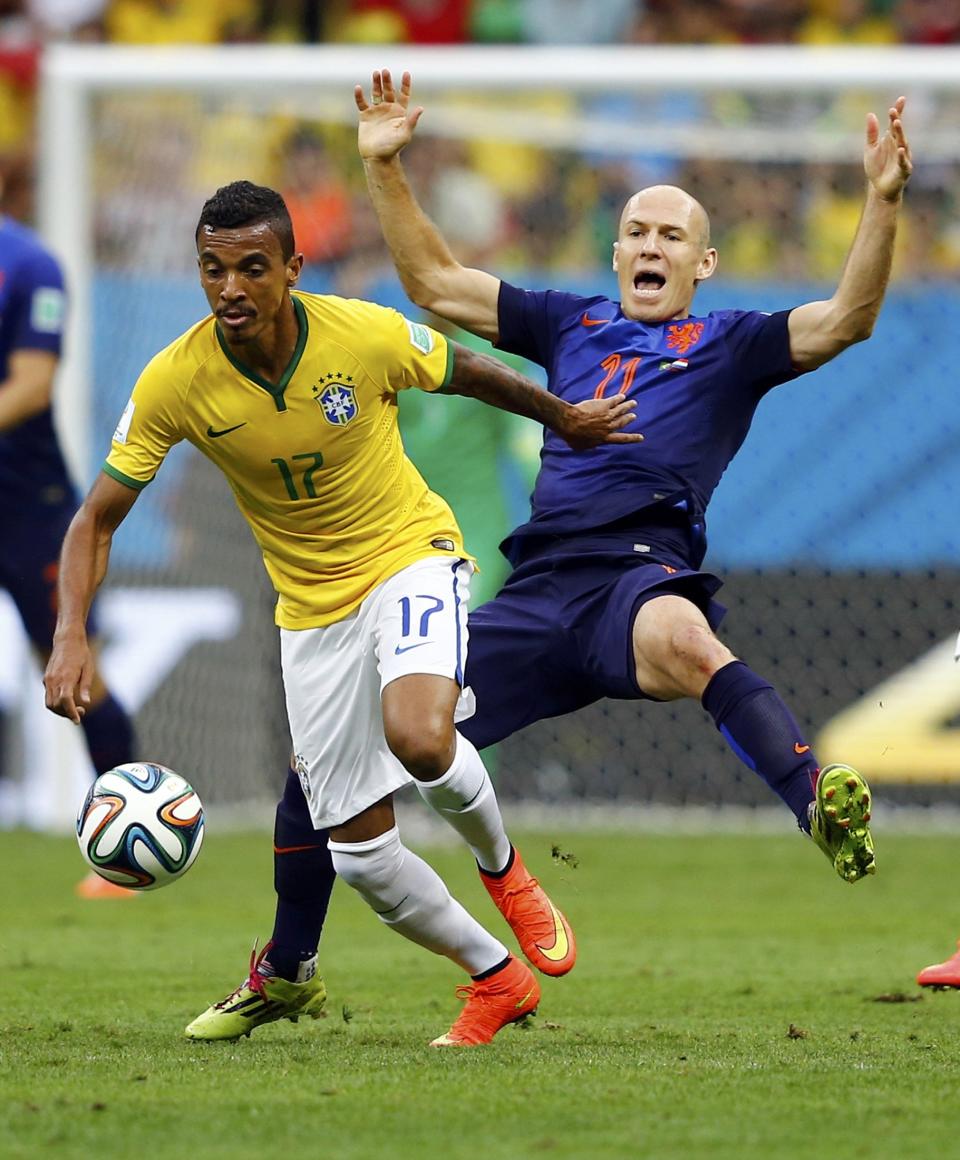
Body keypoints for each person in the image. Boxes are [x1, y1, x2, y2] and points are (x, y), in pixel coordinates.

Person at [226, 72, 913, 1019]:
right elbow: (434, 284)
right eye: (637, 229)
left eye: (672, 235)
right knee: (339, 762)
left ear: (704, 263)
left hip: (637, 578)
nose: (650, 245)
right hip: (538, 592)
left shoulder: (733, 342)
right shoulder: (568, 322)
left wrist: (881, 203)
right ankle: (289, 969)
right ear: (617, 246)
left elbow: (848, 320)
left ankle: (818, 807)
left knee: (687, 640)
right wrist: (384, 167)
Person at [43, 180, 641, 1047]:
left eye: (253, 268)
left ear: (292, 267)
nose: (231, 289)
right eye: (214, 270)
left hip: (410, 556)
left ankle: (505, 873)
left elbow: (465, 367)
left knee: (422, 735)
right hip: (310, 612)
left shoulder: (357, 333)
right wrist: (69, 635)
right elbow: (95, 518)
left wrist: (563, 417)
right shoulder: (175, 380)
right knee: (361, 856)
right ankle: (496, 978)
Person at [0, 206, 137, 897]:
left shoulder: (28, 265)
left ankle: (127, 850)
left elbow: (31, 384)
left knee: (75, 676)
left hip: (24, 505)